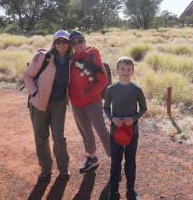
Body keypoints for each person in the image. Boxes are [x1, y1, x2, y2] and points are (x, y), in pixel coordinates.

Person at [24, 30, 71, 182]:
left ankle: (63, 168)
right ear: (54, 43)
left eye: (65, 42)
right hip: (39, 103)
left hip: (59, 103)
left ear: (68, 44)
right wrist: (35, 93)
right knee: (41, 136)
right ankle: (45, 168)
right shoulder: (44, 57)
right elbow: (28, 76)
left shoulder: (72, 60)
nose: (61, 44)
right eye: (58, 42)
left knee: (58, 137)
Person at [104, 57, 147, 200]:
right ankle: (114, 191)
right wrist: (112, 118)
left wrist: (133, 118)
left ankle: (130, 190)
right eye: (122, 69)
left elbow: (143, 108)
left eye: (128, 69)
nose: (125, 72)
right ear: (117, 71)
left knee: (130, 161)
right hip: (115, 132)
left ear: (133, 71)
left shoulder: (137, 90)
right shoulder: (111, 90)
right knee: (115, 162)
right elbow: (105, 107)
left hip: (132, 133)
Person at [68, 30, 111, 173]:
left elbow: (103, 80)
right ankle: (92, 159)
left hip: (92, 102)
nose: (78, 44)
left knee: (101, 130)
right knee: (85, 132)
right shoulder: (70, 59)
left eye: (80, 40)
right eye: (74, 42)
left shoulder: (92, 55)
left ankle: (115, 159)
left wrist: (88, 94)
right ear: (71, 45)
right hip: (76, 103)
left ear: (85, 41)